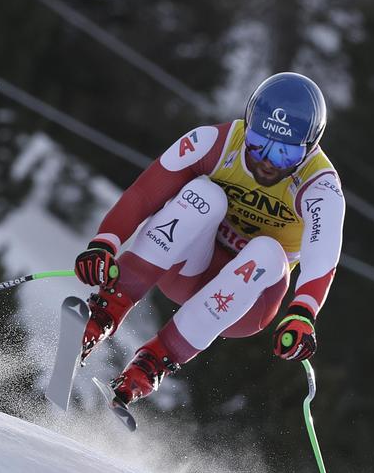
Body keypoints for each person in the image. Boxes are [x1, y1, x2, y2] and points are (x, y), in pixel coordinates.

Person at [73, 72, 346, 410]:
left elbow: (324, 256)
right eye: (259, 142)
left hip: (245, 303)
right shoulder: (214, 143)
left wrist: (303, 311)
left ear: (309, 149)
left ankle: (155, 361)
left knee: (268, 252)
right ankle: (104, 312)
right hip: (187, 268)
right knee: (203, 194)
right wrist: (104, 243)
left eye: (284, 155)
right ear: (248, 125)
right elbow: (144, 194)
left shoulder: (321, 188)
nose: (265, 162)